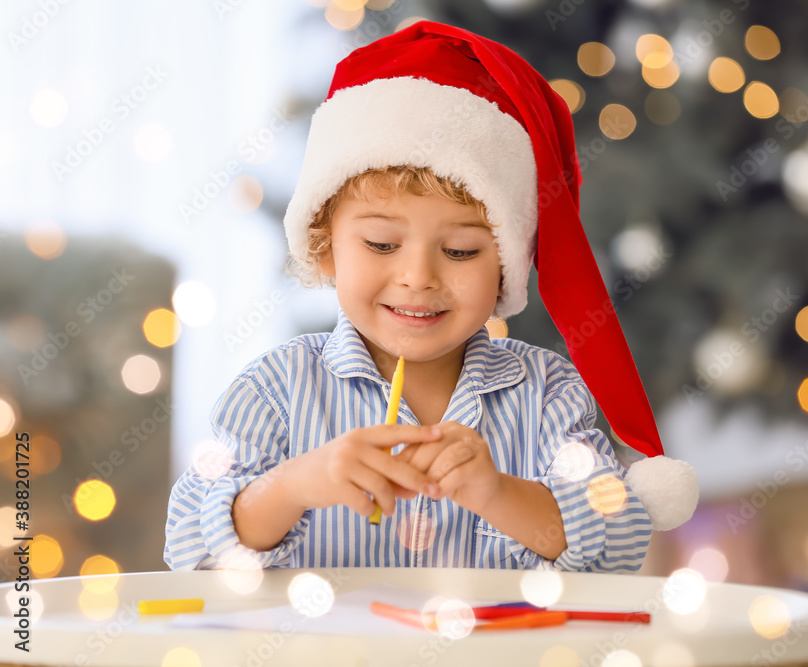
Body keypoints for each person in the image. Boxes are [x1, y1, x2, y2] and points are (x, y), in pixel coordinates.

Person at [164, 20, 697, 573]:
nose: (418, 277)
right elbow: (189, 549)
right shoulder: (273, 392)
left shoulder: (547, 398)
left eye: (462, 251)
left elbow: (618, 544)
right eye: (380, 243)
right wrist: (296, 484)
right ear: (324, 248)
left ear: (507, 267)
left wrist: (497, 494)